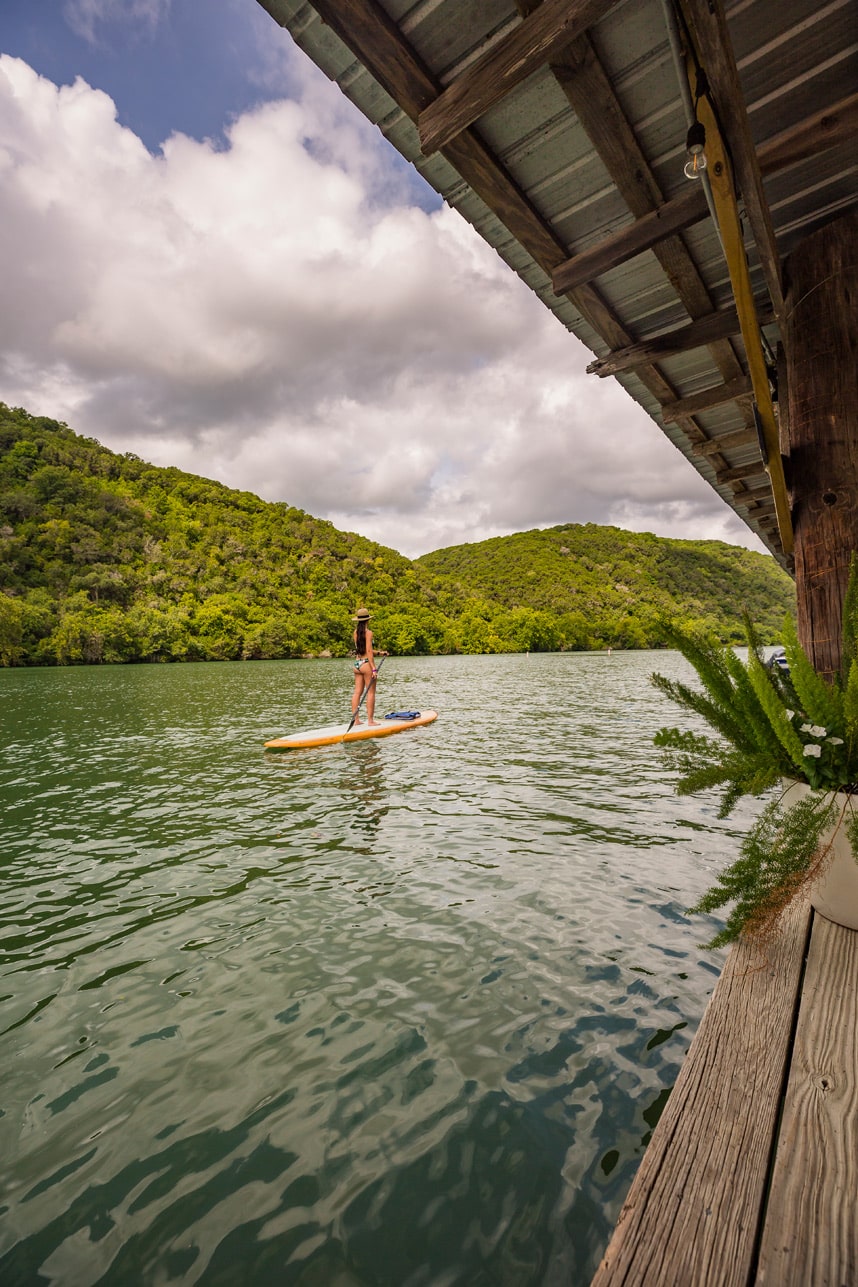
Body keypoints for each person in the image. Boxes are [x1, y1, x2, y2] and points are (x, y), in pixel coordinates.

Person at [351, 607, 387, 726]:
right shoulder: (369, 633)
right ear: (368, 620)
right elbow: (368, 651)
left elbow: (363, 650)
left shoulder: (355, 633)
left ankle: (356, 720)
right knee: (371, 693)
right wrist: (374, 668)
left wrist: (380, 653)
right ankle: (370, 721)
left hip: (357, 664)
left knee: (357, 692)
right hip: (366, 664)